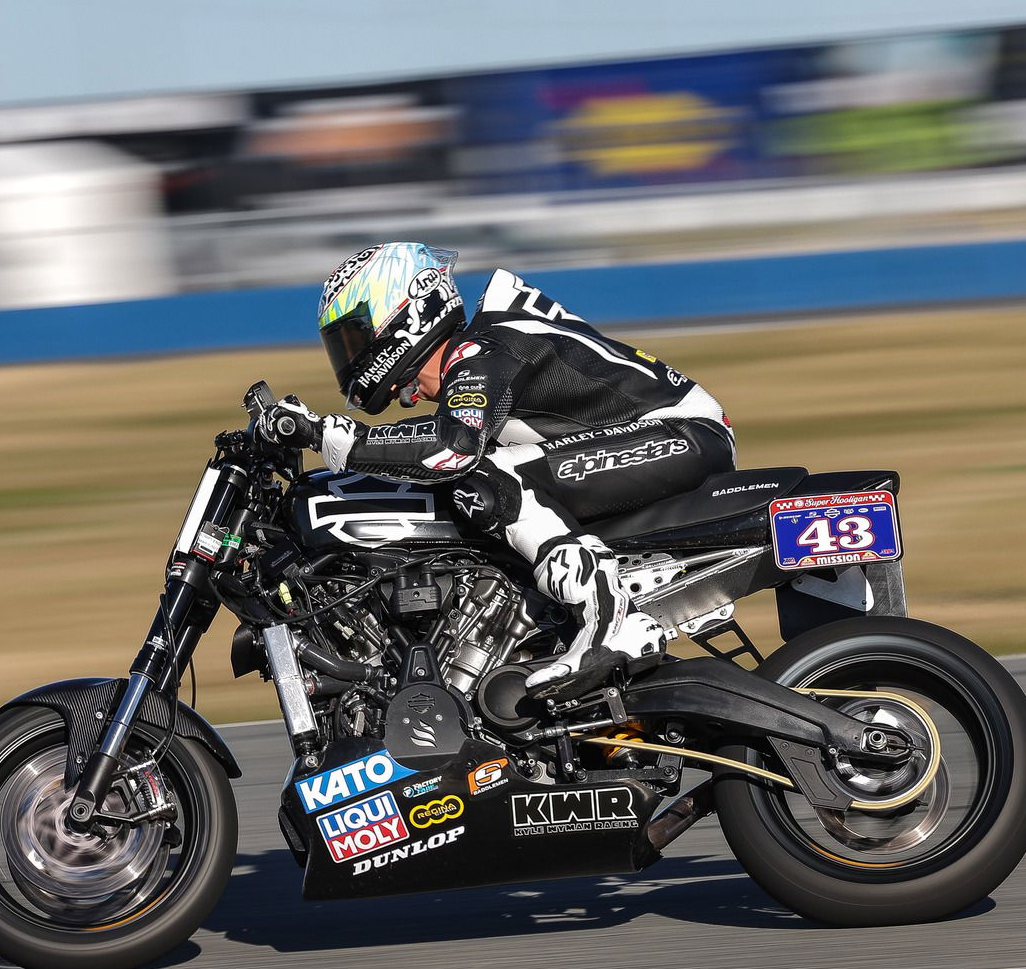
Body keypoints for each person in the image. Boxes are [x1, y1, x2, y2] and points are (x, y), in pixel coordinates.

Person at [258, 242, 735, 698]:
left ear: (406, 309)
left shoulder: (482, 349)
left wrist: (329, 437)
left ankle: (611, 619)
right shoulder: (474, 359)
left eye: (355, 336)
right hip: (660, 439)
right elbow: (440, 438)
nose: (350, 355)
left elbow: (451, 448)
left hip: (681, 435)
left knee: (487, 478)